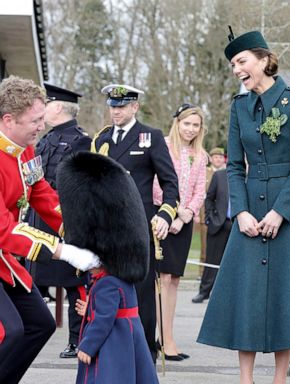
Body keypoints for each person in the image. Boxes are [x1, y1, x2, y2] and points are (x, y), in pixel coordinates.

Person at [197, 29, 290, 384]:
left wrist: (280, 212)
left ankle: (279, 378)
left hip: (288, 209)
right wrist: (240, 211)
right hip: (249, 204)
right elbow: (233, 165)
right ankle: (246, 379)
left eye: (241, 61)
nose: (235, 69)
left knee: (283, 295)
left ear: (263, 59)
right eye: (231, 65)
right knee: (247, 293)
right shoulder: (239, 106)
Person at [0, 75, 99, 383]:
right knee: (10, 331)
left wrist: (79, 232)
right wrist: (63, 250)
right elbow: (4, 228)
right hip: (6, 246)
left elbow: (41, 192)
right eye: (35, 120)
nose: (41, 126)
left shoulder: (24, 149)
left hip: (5, 260)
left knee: (39, 324)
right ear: (8, 119)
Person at [91, 84, 179, 362]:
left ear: (134, 107)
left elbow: (170, 183)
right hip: (106, 226)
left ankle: (144, 356)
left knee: (141, 294)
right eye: (112, 106)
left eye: (121, 106)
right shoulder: (102, 138)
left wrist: (165, 215)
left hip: (138, 226)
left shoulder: (150, 137)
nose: (115, 111)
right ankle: (108, 353)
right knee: (105, 288)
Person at [56, 151, 158, 384]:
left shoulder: (106, 284)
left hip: (113, 347)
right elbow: (115, 308)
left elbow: (104, 319)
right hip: (130, 340)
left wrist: (87, 346)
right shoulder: (122, 280)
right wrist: (89, 307)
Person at [26, 83, 91, 359]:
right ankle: (27, 327)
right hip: (36, 218)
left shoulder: (80, 140)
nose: (43, 110)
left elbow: (78, 183)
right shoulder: (43, 139)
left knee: (73, 281)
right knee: (30, 278)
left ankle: (78, 338)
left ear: (60, 107)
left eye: (48, 104)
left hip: (63, 219)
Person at [153, 103, 207, 360]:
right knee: (161, 280)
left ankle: (167, 335)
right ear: (177, 123)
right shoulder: (162, 146)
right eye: (187, 123)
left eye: (196, 125)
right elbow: (156, 184)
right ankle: (162, 338)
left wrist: (186, 214)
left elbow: (200, 190)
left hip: (183, 223)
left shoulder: (201, 155)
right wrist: (171, 211)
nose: (191, 129)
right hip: (162, 219)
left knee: (174, 280)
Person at [192, 167, 231, 303]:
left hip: (240, 225)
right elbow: (209, 198)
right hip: (219, 224)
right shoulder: (219, 175)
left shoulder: (249, 175)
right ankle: (204, 292)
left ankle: (229, 296)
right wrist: (209, 218)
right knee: (211, 260)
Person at [198, 147, 226, 276]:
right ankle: (202, 274)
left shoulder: (226, 173)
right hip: (207, 214)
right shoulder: (205, 172)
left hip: (223, 215)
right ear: (211, 159)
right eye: (216, 157)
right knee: (205, 249)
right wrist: (203, 215)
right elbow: (203, 195)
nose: (218, 159)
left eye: (221, 157)